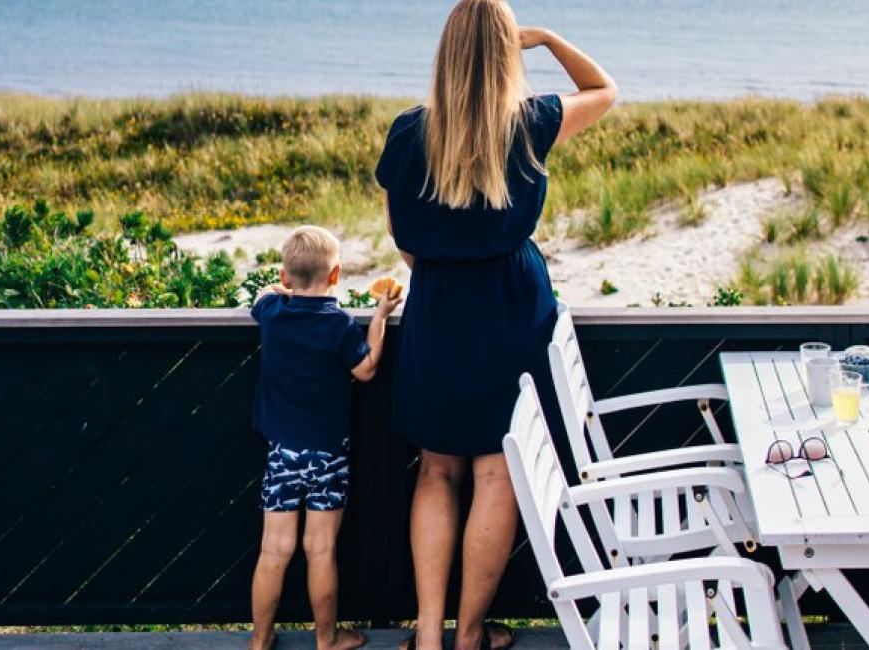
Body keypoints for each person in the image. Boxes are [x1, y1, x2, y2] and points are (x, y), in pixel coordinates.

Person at [372, 1, 616, 648]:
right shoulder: (530, 124)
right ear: (508, 53)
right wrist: (550, 39)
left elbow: (404, 240)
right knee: (497, 472)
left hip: (439, 311)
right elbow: (604, 90)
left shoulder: (408, 133)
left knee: (435, 470)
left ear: (446, 53)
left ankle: (427, 635)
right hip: (510, 306)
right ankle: (471, 631)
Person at [247, 225, 403, 650]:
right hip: (328, 454)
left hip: (283, 452)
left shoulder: (274, 314)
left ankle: (260, 639)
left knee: (274, 551)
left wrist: (281, 288)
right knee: (320, 549)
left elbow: (262, 293)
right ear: (335, 276)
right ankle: (327, 637)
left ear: (286, 274)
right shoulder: (338, 324)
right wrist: (381, 318)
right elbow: (366, 368)